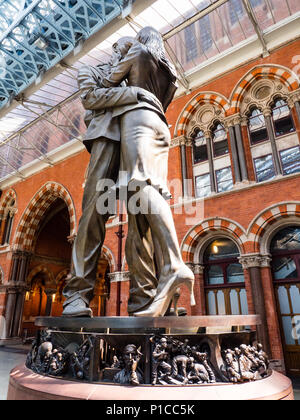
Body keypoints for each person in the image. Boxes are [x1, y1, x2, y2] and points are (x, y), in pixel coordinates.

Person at [62, 37, 160, 317]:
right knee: (93, 212)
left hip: (138, 141)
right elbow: (92, 98)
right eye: (128, 50)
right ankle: (77, 296)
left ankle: (144, 298)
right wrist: (134, 95)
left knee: (141, 217)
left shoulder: (140, 76)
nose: (132, 56)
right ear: (116, 50)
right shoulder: (91, 71)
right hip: (107, 137)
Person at [102, 27, 195, 317]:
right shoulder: (168, 70)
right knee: (141, 211)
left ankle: (174, 265)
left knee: (140, 185)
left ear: (140, 40)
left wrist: (119, 57)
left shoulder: (137, 52)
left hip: (138, 121)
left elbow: (108, 82)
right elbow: (166, 99)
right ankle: (156, 292)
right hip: (160, 125)